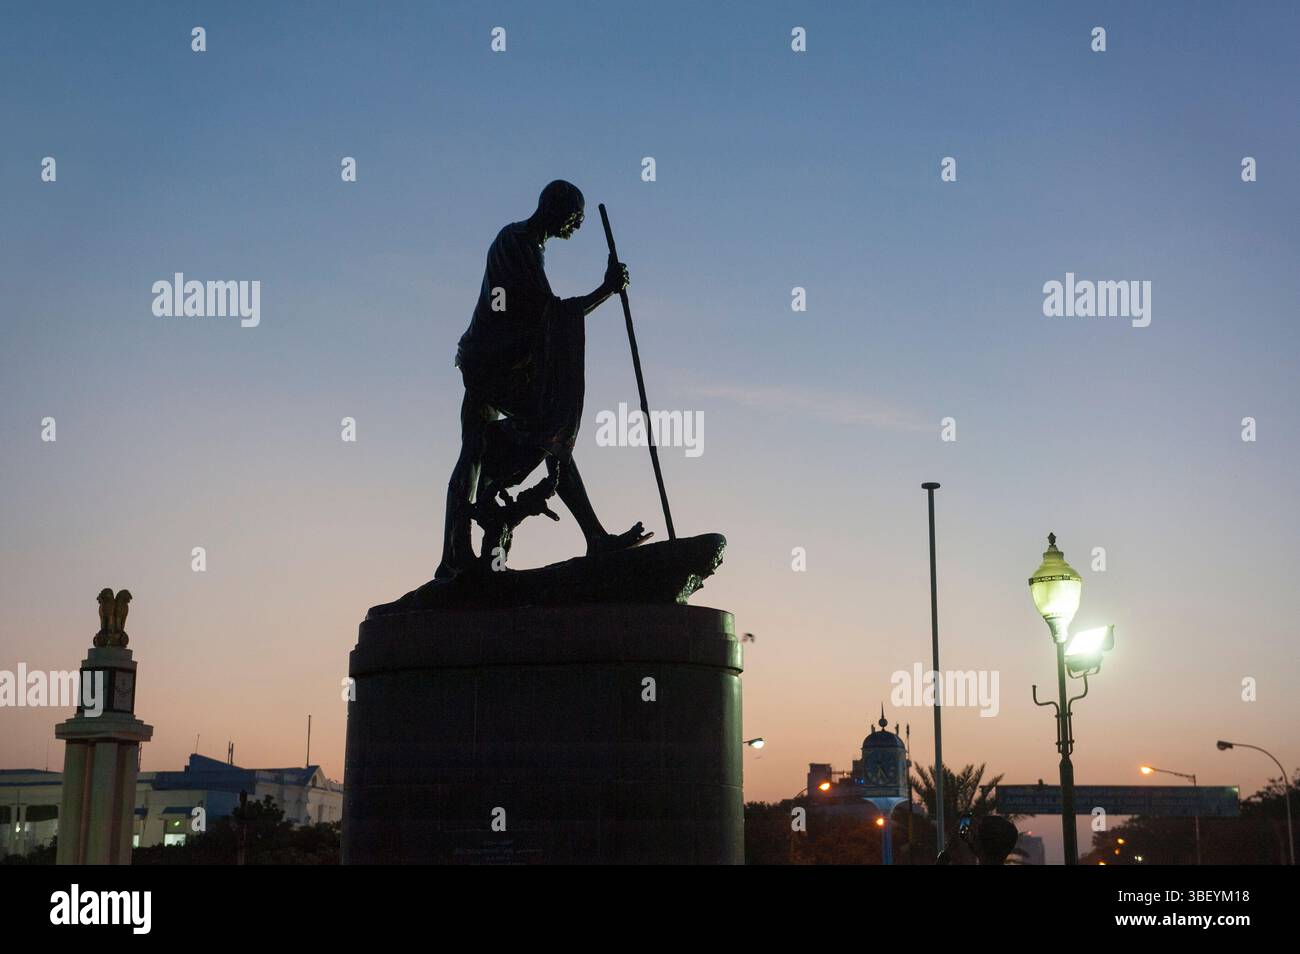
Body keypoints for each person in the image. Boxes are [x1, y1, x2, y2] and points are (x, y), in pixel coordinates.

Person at [437, 180, 649, 578]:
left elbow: (540, 315)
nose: (577, 226)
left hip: (500, 362)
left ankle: (458, 555)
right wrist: (605, 290)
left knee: (481, 450)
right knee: (538, 437)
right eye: (576, 217)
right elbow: (547, 313)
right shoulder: (517, 242)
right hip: (491, 363)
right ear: (557, 209)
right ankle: (456, 555)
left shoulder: (528, 244)